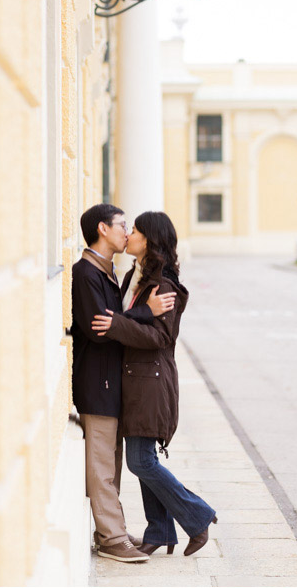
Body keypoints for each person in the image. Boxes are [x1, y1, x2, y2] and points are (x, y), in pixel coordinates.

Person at [91, 211, 218, 555]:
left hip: (150, 382)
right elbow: (132, 317)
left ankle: (198, 516)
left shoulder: (164, 284)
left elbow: (160, 336)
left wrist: (117, 324)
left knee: (141, 461)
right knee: (145, 459)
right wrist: (128, 317)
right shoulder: (135, 275)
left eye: (135, 230)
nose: (128, 234)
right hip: (134, 380)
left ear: (148, 239)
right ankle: (159, 530)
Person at [71, 203, 176, 563]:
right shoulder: (86, 272)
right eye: (121, 225)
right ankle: (113, 538)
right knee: (102, 466)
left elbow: (114, 322)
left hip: (111, 384)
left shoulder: (109, 273)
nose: (126, 232)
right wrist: (147, 311)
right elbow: (101, 328)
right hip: (96, 383)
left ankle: (109, 531)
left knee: (113, 463)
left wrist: (130, 318)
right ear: (103, 228)